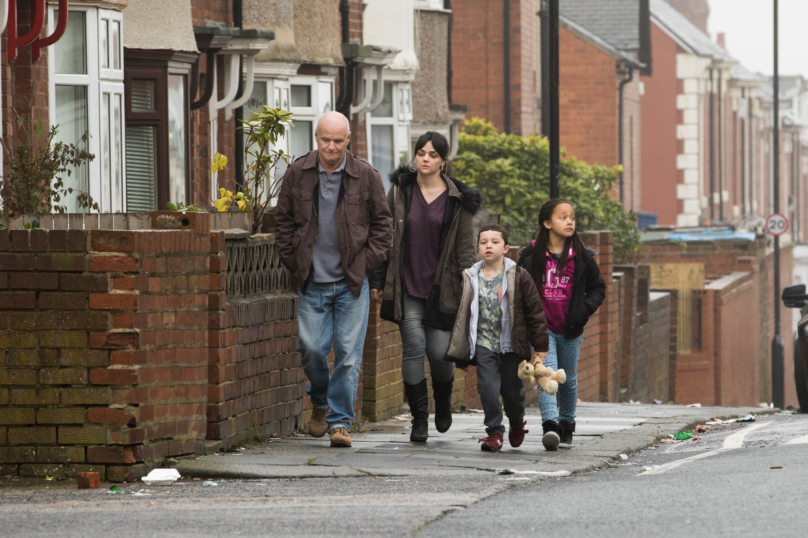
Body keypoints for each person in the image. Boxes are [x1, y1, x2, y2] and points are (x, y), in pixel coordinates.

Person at [275, 111, 393, 448]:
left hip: (352, 284)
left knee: (348, 355)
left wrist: (365, 264)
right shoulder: (298, 172)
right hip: (312, 281)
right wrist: (295, 262)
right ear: (316, 137)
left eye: (338, 141)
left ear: (348, 140)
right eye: (325, 140)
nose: (331, 146)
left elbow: (383, 227)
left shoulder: (366, 176)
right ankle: (320, 401)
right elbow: (282, 222)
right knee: (311, 348)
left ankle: (340, 423)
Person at [369, 131, 482, 443]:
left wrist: (470, 293)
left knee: (438, 353)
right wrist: (378, 280)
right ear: (415, 156)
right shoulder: (400, 191)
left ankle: (442, 399)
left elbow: (465, 252)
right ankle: (419, 419)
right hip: (406, 287)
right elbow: (384, 239)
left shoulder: (458, 200)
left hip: (443, 291)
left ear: (443, 161)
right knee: (414, 347)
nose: (426, 159)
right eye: (421, 153)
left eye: (433, 155)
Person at [443, 224, 549, 452]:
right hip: (483, 344)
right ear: (478, 248)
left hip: (511, 345)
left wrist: (540, 347)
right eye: (483, 242)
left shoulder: (519, 276)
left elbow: (535, 313)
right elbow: (461, 313)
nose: (488, 245)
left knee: (512, 393)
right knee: (488, 389)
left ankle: (517, 420)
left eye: (494, 241)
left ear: (506, 248)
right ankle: (494, 433)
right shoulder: (470, 277)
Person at [517, 198, 606, 451]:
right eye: (562, 217)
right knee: (546, 374)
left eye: (572, 217)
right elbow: (520, 291)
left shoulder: (581, 257)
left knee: (568, 378)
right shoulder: (530, 256)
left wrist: (582, 312)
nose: (569, 222)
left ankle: (567, 423)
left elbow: (598, 288)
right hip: (541, 329)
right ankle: (551, 427)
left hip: (570, 328)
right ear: (547, 223)